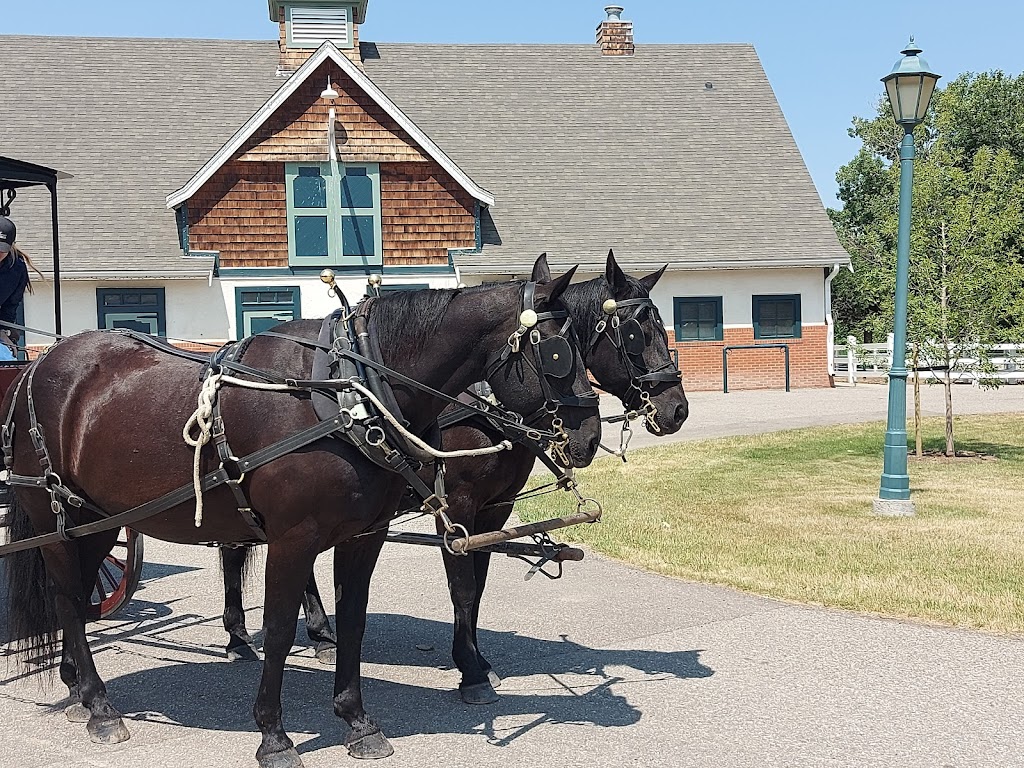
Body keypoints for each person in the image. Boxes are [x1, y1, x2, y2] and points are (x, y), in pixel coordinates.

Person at [0, 216, 44, 359]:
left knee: (6, 358)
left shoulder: (17, 269)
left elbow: (10, 307)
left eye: (2, 250)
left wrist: (3, 332)